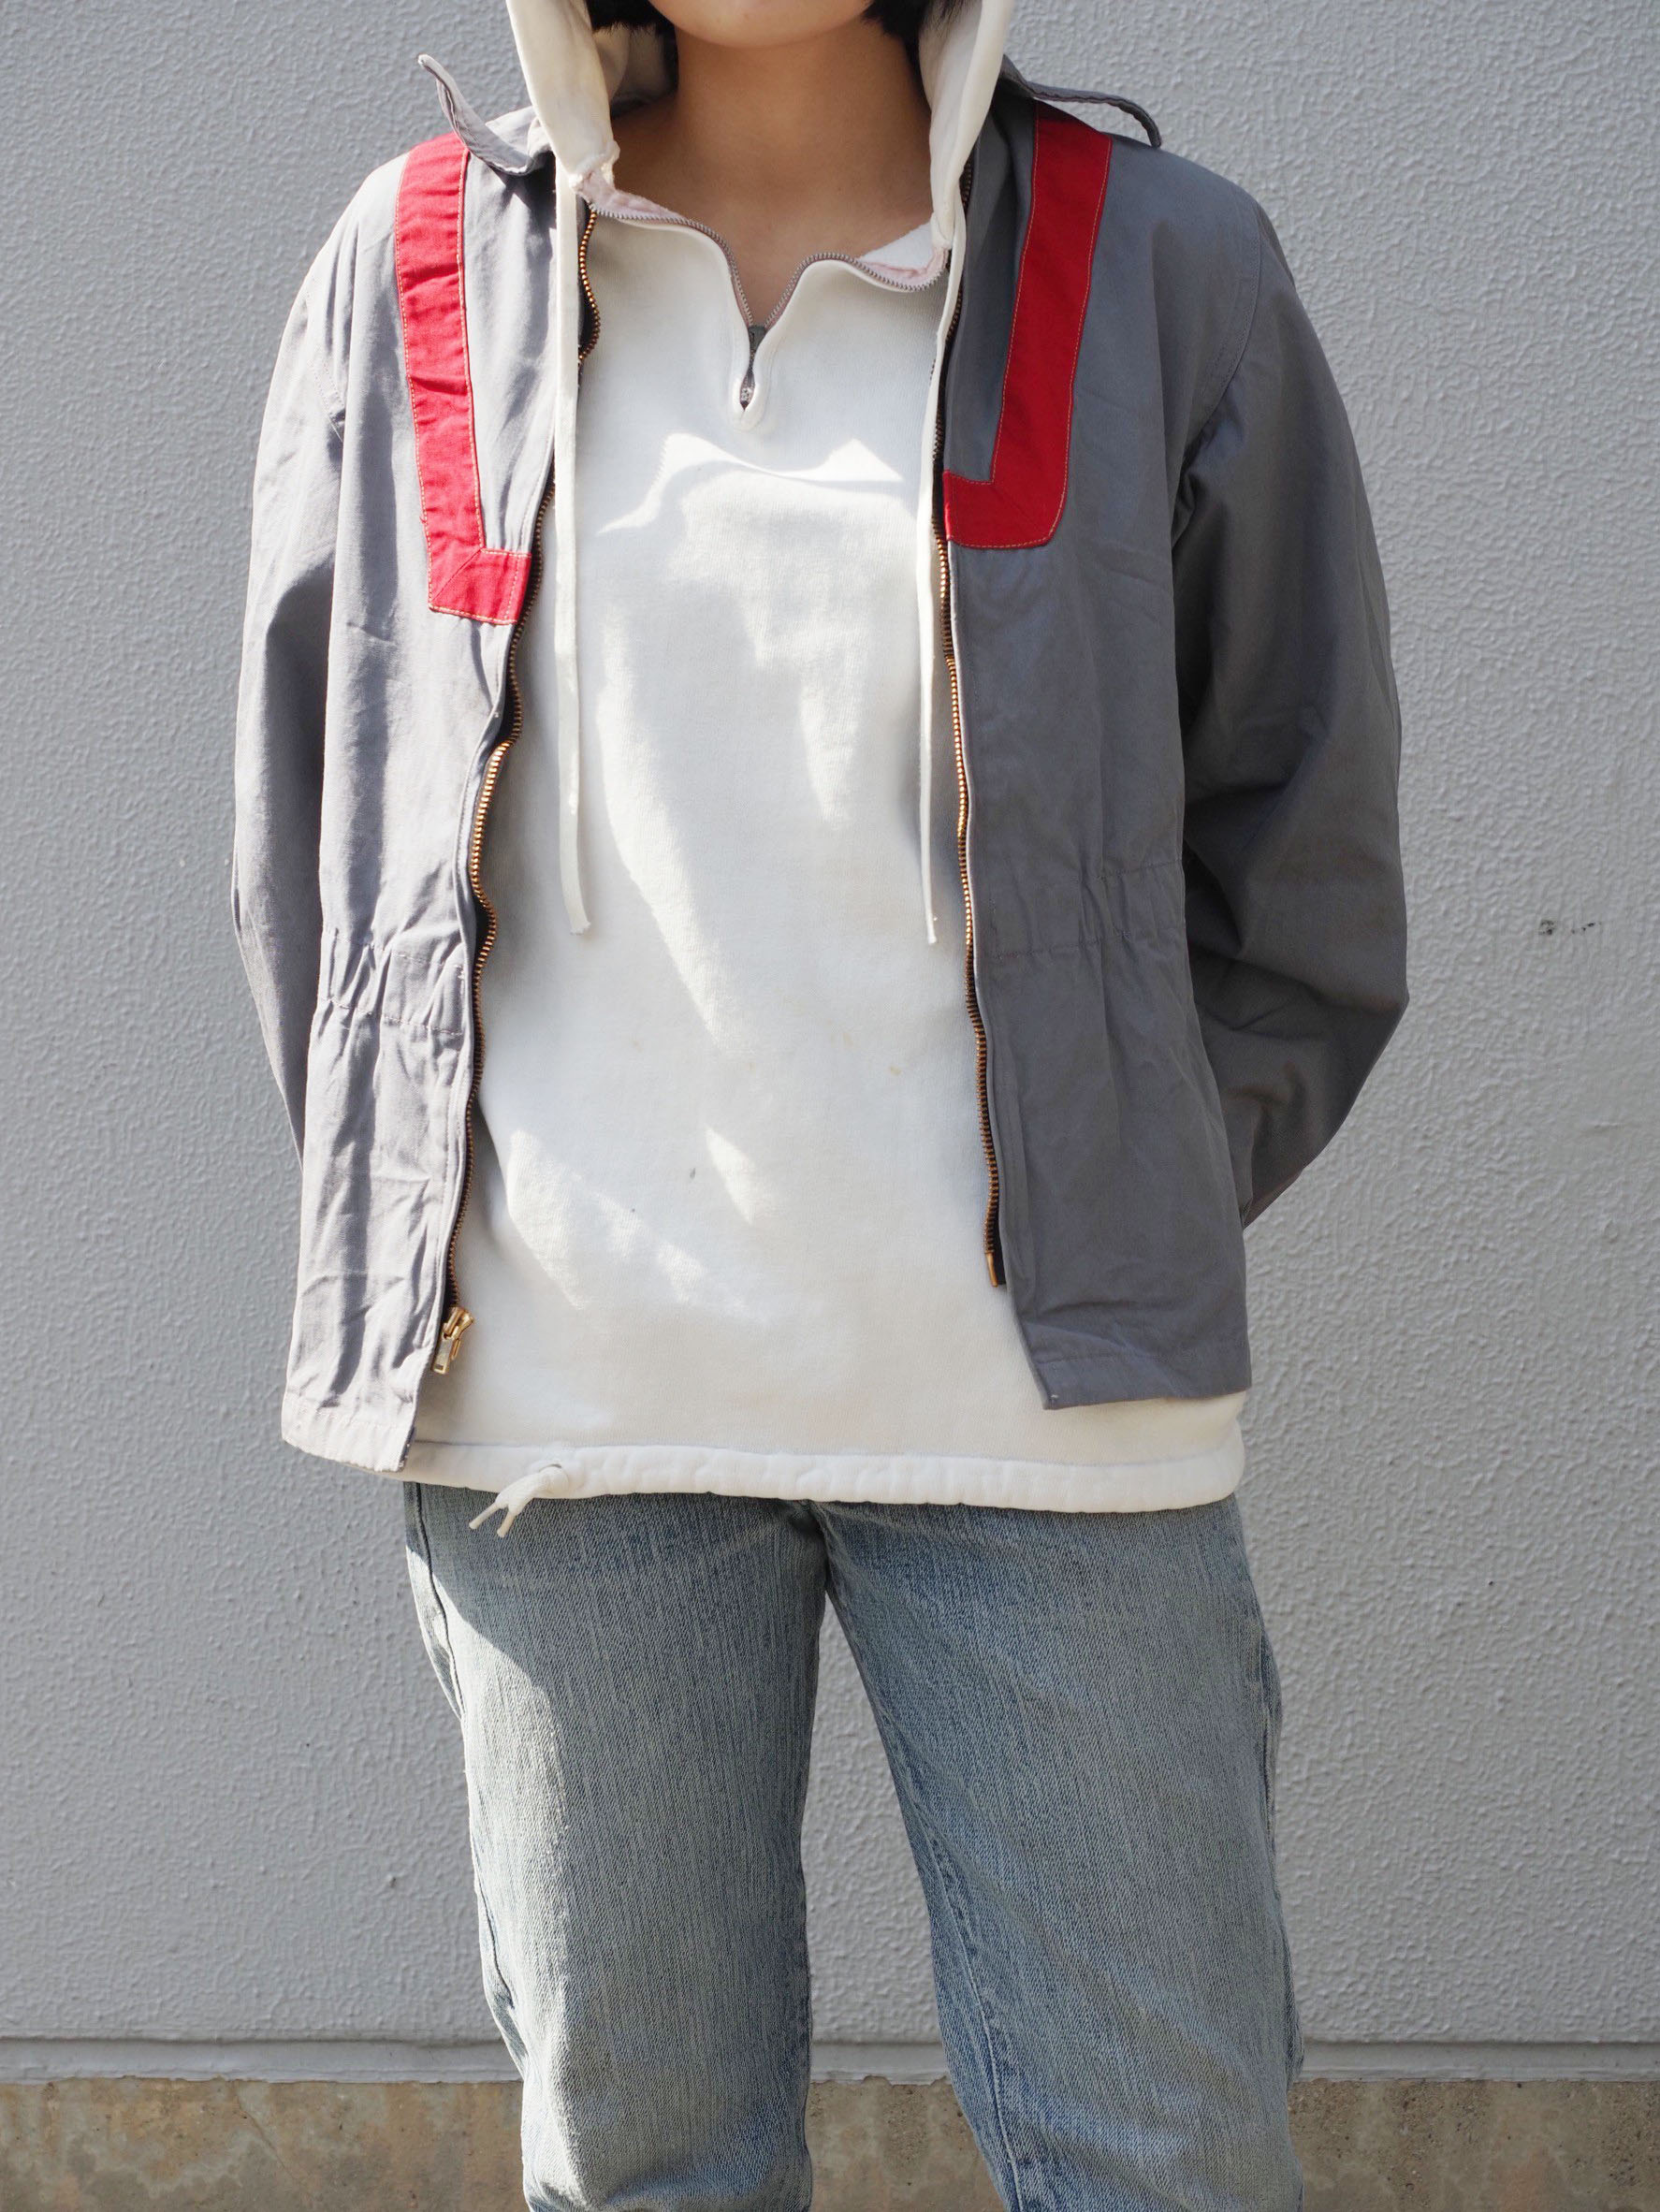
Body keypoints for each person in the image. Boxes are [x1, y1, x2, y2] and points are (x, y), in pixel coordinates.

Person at [232, 0, 1407, 2202]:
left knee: (1160, 2157)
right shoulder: (416, 267)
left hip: (1044, 1419)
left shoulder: (1160, 265)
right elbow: (322, 845)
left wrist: (1117, 1187)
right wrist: (450, 1214)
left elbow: (1299, 862)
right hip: (567, 1415)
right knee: (645, 2165)